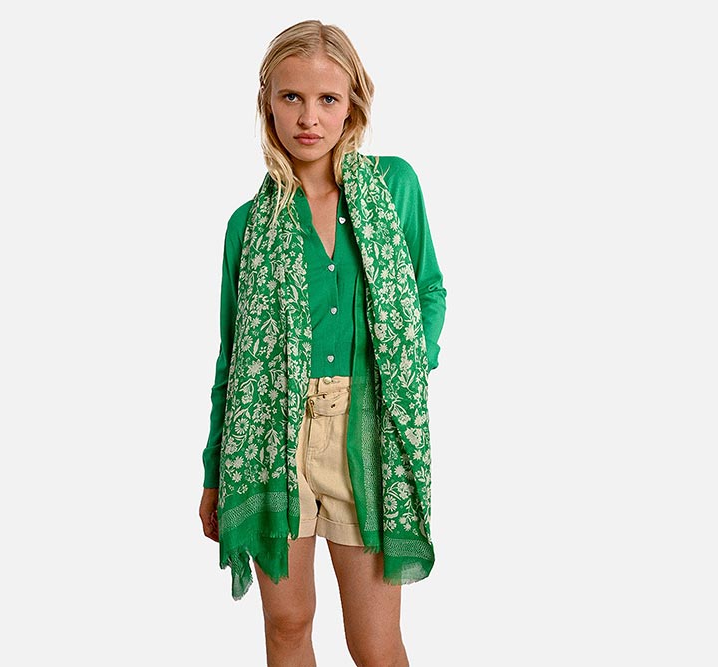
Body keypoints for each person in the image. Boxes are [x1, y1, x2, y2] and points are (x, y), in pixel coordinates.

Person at [198, 19, 447, 667]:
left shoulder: (393, 187)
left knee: (374, 643)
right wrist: (214, 472)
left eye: (327, 98)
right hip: (267, 437)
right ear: (267, 104)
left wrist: (405, 368)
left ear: (352, 104)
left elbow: (428, 290)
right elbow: (232, 356)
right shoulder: (248, 225)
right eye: (291, 97)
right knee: (287, 624)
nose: (309, 117)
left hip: (364, 431)